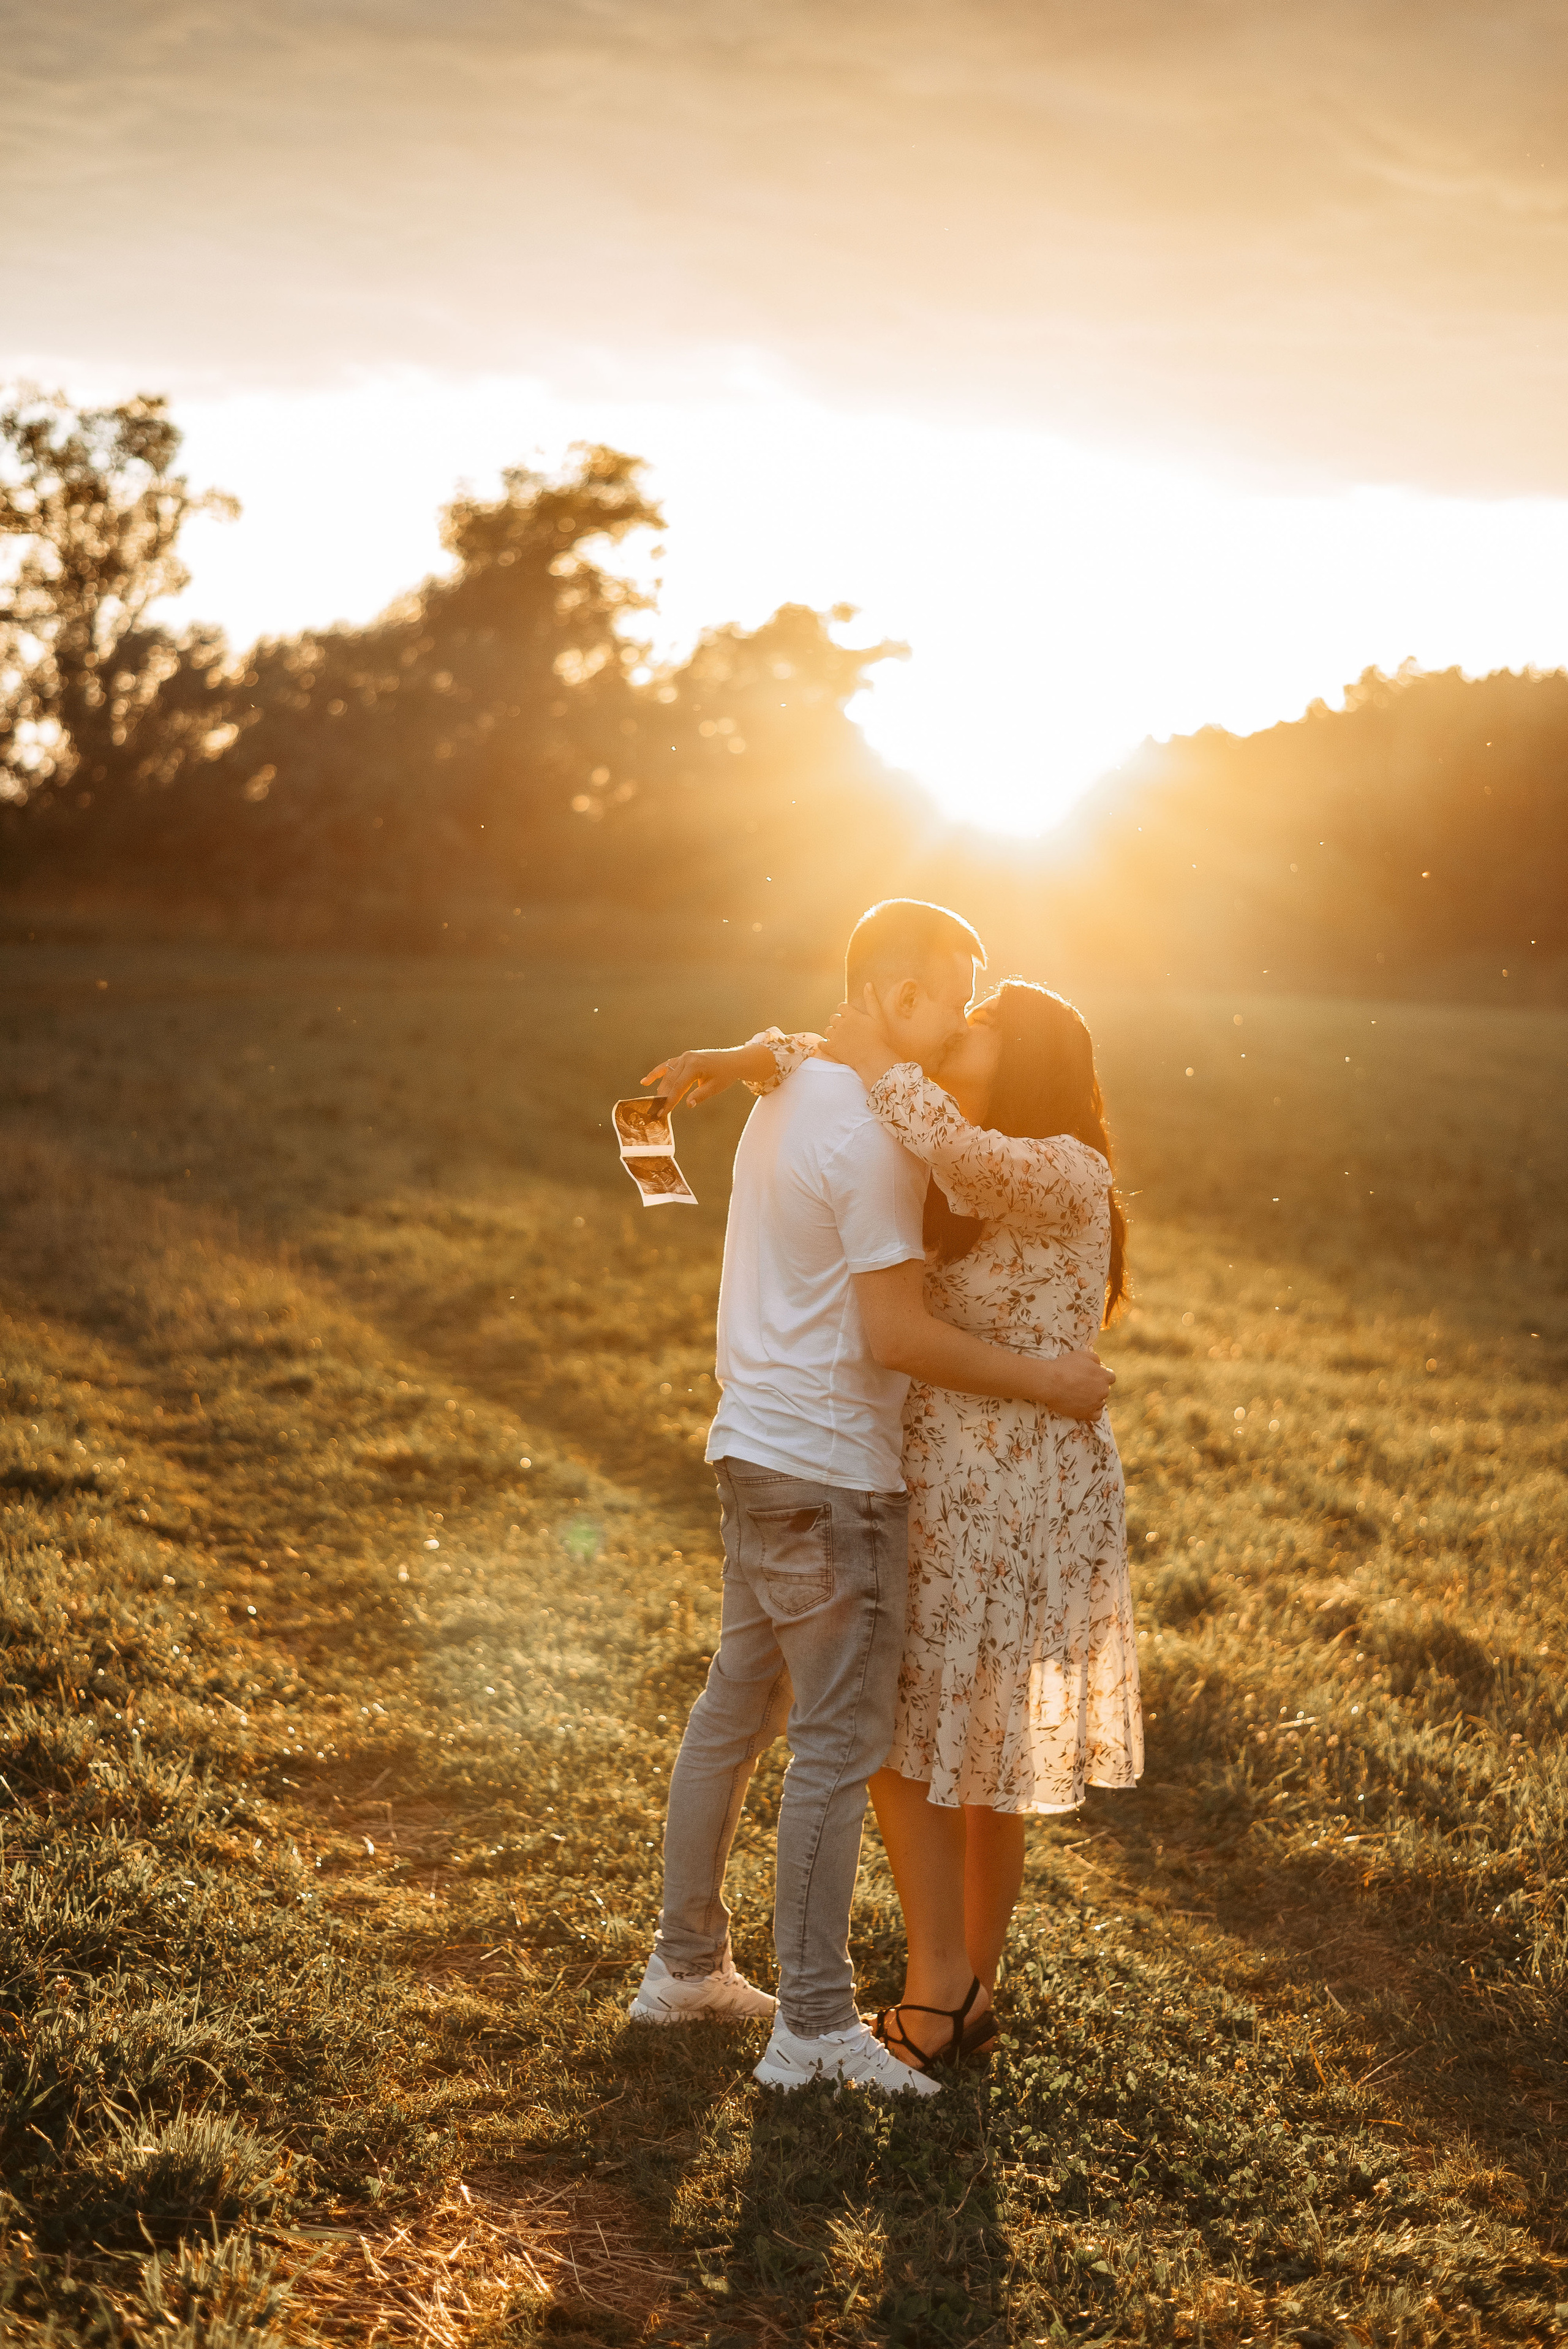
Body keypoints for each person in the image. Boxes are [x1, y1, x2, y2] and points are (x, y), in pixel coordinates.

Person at [625, 901, 1115, 2099]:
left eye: (981, 1014)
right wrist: (1052, 1381)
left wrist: (736, 1058)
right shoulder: (876, 1127)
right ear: (901, 998)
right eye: (953, 995)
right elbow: (895, 1330)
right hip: (834, 1468)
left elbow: (846, 1069)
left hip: (762, 1444)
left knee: (744, 1714)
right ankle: (813, 2030)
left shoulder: (816, 1095)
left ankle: (693, 1968)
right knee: (844, 1748)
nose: (958, 1023)